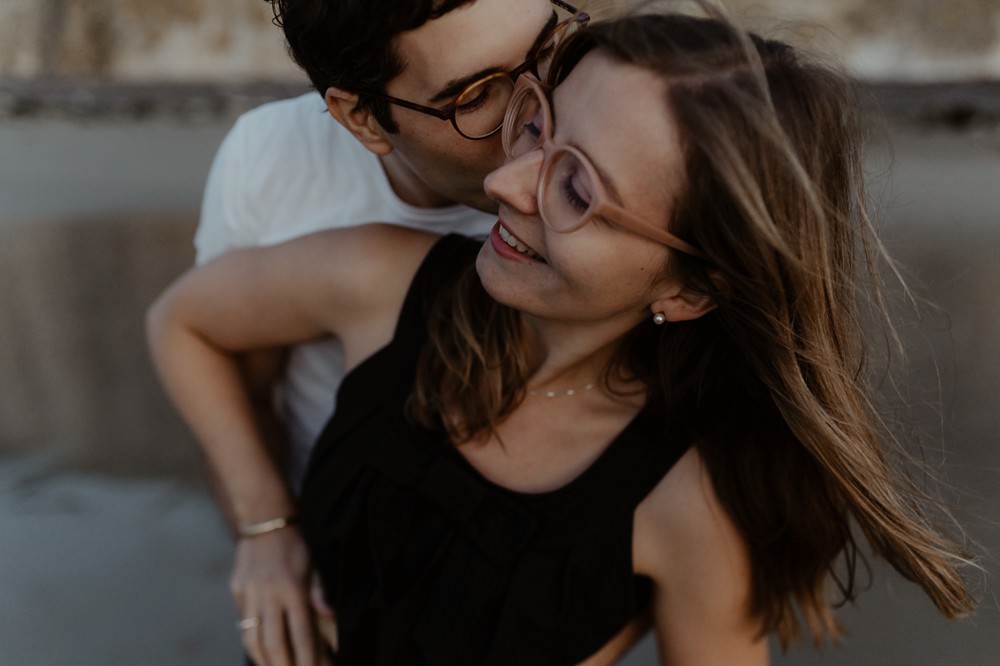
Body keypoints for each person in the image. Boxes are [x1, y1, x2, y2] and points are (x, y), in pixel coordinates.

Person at [149, 5, 975, 665]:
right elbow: (182, 321)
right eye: (535, 124)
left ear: (691, 289)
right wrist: (267, 530)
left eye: (576, 189)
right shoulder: (383, 282)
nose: (507, 180)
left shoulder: (691, 506)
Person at [193, 0, 590, 662]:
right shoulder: (270, 161)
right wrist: (266, 531)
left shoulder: (610, 161)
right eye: (478, 95)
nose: (540, 108)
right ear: (362, 118)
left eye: (550, 45)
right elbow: (237, 377)